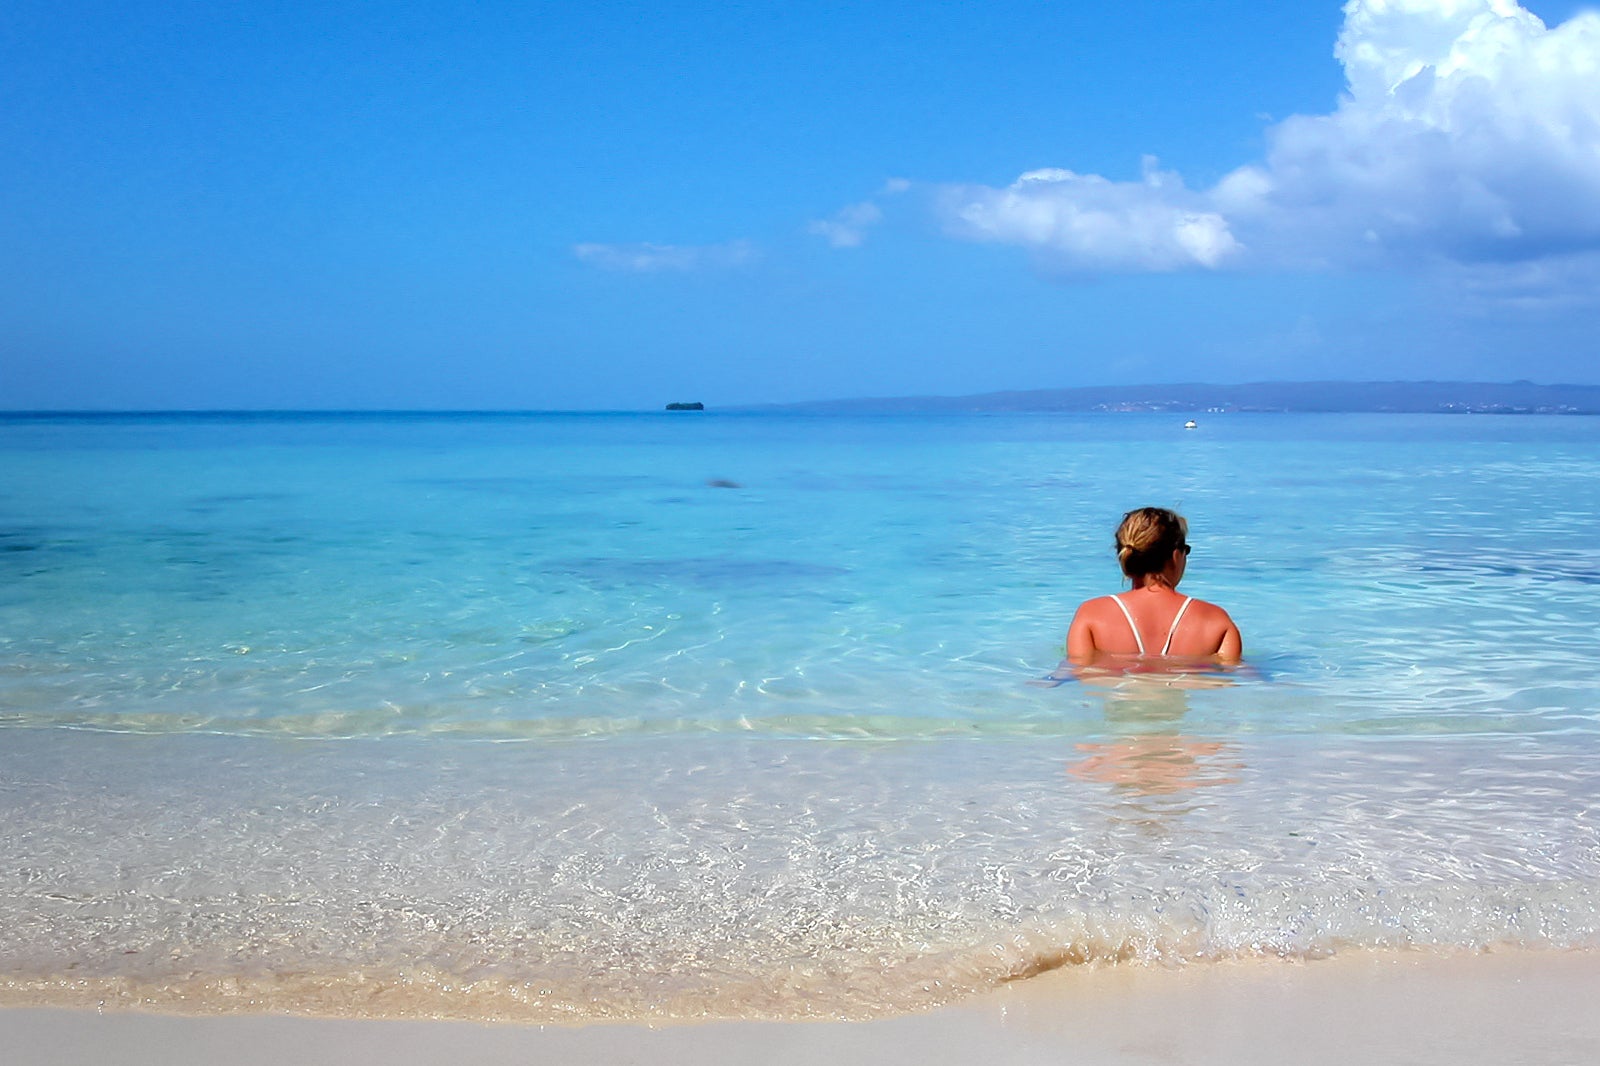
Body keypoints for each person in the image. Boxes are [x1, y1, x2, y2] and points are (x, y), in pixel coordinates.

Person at [1065, 507, 1241, 666]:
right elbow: (1240, 680)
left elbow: (1074, 670)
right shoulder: (1216, 621)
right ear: (1176, 556)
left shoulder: (1092, 615)